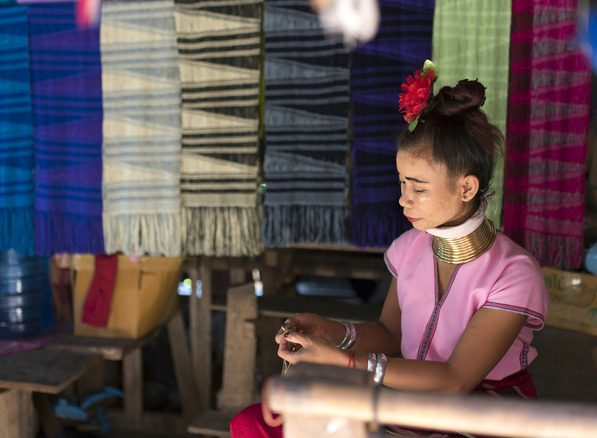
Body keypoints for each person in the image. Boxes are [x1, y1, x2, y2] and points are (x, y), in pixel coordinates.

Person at [230, 61, 549, 437]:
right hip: (404, 396)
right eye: (401, 183)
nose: (403, 200)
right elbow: (390, 334)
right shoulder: (409, 248)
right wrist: (333, 331)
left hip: (479, 411)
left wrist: (344, 360)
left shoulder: (513, 273)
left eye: (419, 188)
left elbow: (454, 381)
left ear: (466, 188)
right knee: (252, 424)